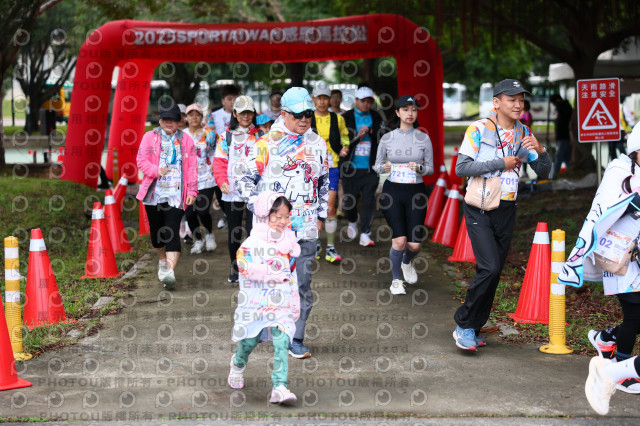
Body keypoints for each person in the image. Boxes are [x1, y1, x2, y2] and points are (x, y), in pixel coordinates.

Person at [453, 79, 551, 351]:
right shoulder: (478, 129)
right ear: (496, 102)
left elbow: (544, 171)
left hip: (507, 208)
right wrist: (501, 163)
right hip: (480, 206)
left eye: (521, 99)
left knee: (493, 272)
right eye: (512, 99)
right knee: (490, 267)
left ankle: (474, 326)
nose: (518, 104)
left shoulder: (524, 132)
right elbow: (461, 168)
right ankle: (463, 324)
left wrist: (540, 150)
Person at [236, 87, 329, 359]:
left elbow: (324, 181)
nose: (304, 119)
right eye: (298, 114)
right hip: (272, 234)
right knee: (270, 283)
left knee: (302, 285)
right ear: (284, 114)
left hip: (306, 228)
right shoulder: (266, 143)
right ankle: (267, 327)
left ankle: (295, 338)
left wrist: (321, 215)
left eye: (309, 114)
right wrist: (263, 208)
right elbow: (243, 180)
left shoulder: (318, 143)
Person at [558, 124, 640, 409]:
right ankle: (620, 370)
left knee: (636, 317)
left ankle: (607, 340)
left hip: (637, 258)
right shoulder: (620, 171)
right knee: (634, 315)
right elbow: (603, 211)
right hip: (620, 258)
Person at [227, 191, 301, 405]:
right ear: (263, 215)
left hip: (281, 303)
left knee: (282, 341)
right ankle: (237, 364)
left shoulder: (289, 243)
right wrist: (273, 274)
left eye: (286, 217)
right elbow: (244, 266)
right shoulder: (251, 243)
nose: (283, 222)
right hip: (257, 303)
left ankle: (279, 386)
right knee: (249, 341)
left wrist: (294, 301)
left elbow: (292, 276)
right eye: (277, 217)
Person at [374, 95, 433, 295]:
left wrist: (420, 168)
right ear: (397, 113)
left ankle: (406, 261)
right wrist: (384, 167)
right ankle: (396, 280)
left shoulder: (423, 138)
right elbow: (376, 166)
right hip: (393, 191)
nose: (410, 113)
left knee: (414, 245)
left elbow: (430, 168)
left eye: (414, 110)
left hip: (416, 192)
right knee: (399, 240)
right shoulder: (387, 138)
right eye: (406, 109)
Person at [136, 104, 197, 290]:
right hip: (154, 194)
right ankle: (162, 260)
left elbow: (192, 168)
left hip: (176, 194)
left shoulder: (186, 140)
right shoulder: (150, 137)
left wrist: (192, 191)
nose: (169, 123)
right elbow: (141, 160)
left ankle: (170, 272)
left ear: (179, 121)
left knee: (171, 231)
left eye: (173, 119)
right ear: (160, 120)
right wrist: (156, 170)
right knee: (157, 235)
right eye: (165, 119)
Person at [212, 96, 259, 283]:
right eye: (242, 113)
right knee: (234, 232)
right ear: (235, 114)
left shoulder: (260, 136)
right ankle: (235, 268)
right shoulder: (226, 136)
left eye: (249, 112)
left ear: (254, 114)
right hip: (232, 191)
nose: (245, 116)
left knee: (253, 231)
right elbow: (219, 162)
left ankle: (251, 268)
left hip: (255, 192)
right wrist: (222, 181)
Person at [341, 86, 387, 247]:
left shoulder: (375, 116)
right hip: (350, 168)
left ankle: (366, 233)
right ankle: (353, 220)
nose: (366, 104)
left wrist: (371, 131)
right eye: (362, 101)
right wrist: (357, 136)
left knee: (368, 201)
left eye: (369, 101)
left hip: (370, 168)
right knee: (349, 202)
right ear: (356, 101)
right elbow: (341, 140)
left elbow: (384, 135)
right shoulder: (346, 117)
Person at [311, 82, 350, 263]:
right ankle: (316, 243)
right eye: (318, 98)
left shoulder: (337, 119)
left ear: (330, 100)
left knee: (330, 206)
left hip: (331, 166)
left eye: (325, 98)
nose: (322, 102)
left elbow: (344, 136)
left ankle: (331, 247)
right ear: (313, 99)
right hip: (311, 168)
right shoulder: (307, 118)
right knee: (312, 206)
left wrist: (345, 147)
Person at [183, 103, 218, 254]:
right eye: (191, 115)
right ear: (186, 117)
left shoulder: (209, 134)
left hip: (206, 178)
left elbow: (216, 151)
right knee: (190, 213)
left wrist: (215, 164)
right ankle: (198, 239)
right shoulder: (181, 135)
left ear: (201, 117)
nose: (194, 118)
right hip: (187, 181)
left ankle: (209, 235)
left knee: (203, 211)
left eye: (197, 115)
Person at [549, 94, 572, 178]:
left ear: (557, 100)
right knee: (566, 156)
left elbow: (563, 121)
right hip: (561, 135)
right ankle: (569, 171)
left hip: (564, 135)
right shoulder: (561, 108)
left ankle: (555, 174)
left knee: (559, 156)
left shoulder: (564, 108)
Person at [608, 96, 634, 161]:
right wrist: (632, 127)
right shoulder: (622, 107)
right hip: (618, 130)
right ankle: (624, 161)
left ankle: (616, 161)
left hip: (614, 130)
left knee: (613, 148)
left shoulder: (611, 106)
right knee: (619, 147)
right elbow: (629, 119)